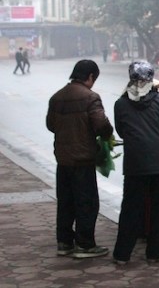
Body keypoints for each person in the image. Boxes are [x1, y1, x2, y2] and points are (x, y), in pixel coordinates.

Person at [112, 60, 159, 264]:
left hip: (136, 166)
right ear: (151, 80)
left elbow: (122, 132)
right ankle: (154, 254)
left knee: (131, 209)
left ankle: (122, 255)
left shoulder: (121, 104)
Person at [46, 59, 114, 258]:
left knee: (66, 201)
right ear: (90, 77)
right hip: (83, 159)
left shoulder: (56, 97)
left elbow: (51, 125)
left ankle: (64, 242)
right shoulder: (90, 97)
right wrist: (106, 135)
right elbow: (101, 125)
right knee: (87, 202)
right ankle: (85, 245)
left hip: (63, 158)